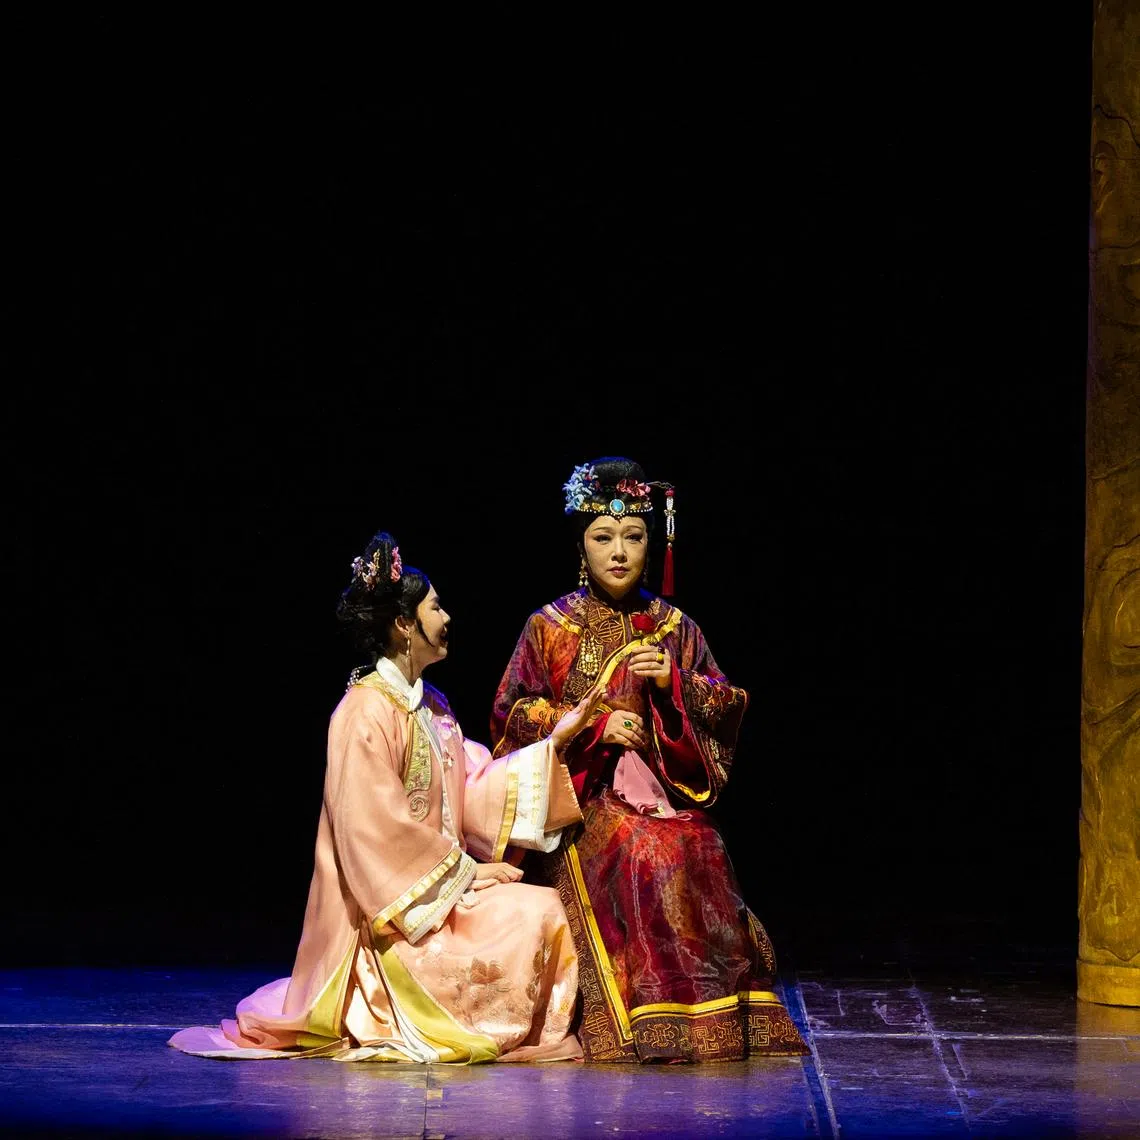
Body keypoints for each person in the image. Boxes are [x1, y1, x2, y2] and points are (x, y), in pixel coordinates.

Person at [169, 532, 599, 1063]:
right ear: (403, 625)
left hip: (439, 894)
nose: (447, 617)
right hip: (389, 919)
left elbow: (471, 787)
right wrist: (465, 872)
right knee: (529, 916)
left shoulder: (433, 705)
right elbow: (373, 831)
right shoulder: (362, 713)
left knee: (542, 908)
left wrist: (555, 742)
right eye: (436, 607)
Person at [491, 458, 808, 1063]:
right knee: (648, 852)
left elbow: (728, 703)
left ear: (651, 544)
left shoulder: (674, 627)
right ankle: (649, 1017)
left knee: (700, 845)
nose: (618, 552)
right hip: (581, 800)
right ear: (580, 546)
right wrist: (593, 724)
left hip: (659, 792)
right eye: (602, 537)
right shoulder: (548, 626)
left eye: (633, 537)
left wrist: (675, 684)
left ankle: (714, 1016)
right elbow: (511, 712)